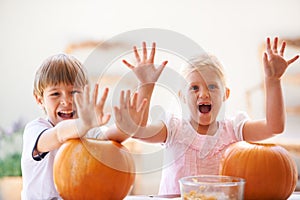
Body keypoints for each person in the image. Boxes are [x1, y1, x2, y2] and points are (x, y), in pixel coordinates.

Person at [111, 37, 299, 195]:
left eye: (212, 86)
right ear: (182, 96)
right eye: (194, 88)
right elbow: (138, 131)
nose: (204, 94)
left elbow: (274, 127)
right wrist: (147, 85)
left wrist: (273, 81)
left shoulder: (234, 129)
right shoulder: (173, 129)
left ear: (226, 94)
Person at [21, 53, 111, 199]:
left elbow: (110, 139)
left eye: (74, 92)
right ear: (39, 99)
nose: (67, 101)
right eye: (55, 93)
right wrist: (83, 124)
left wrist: (128, 126)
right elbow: (58, 134)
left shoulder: (88, 129)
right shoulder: (35, 130)